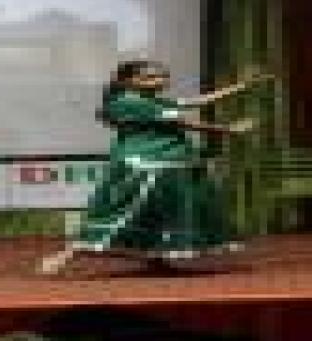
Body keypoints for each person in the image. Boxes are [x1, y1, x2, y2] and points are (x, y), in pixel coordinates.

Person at [39, 60, 272, 276]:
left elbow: (197, 101)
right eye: (151, 77)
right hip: (145, 167)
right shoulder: (129, 102)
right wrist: (230, 129)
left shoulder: (151, 100)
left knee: (163, 214)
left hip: (167, 165)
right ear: (130, 81)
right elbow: (184, 122)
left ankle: (156, 259)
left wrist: (241, 87)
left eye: (162, 76)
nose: (161, 81)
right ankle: (68, 254)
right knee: (125, 213)